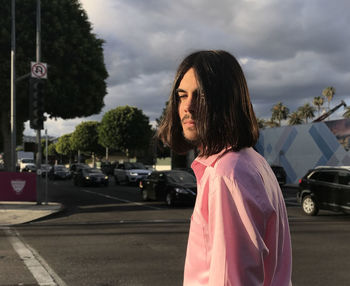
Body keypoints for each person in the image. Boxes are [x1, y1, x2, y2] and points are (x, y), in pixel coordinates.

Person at [157, 50, 292, 285]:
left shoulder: (227, 173)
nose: (187, 106)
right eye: (182, 96)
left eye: (201, 96)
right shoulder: (251, 161)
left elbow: (230, 279)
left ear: (226, 101)